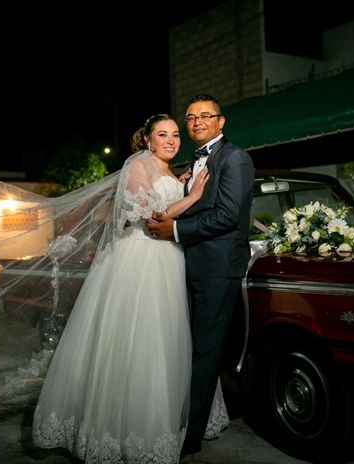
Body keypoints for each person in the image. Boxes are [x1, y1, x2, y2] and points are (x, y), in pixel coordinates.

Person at [31, 114, 211, 463]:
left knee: (165, 335)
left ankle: (163, 418)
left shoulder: (167, 170)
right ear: (147, 139)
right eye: (163, 134)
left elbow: (164, 200)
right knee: (138, 336)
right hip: (141, 260)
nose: (172, 140)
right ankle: (121, 428)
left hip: (169, 259)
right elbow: (153, 217)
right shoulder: (137, 165)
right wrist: (194, 196)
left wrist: (181, 183)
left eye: (175, 135)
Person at [146, 94, 255, 456]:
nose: (196, 122)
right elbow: (197, 203)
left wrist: (174, 231)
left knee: (205, 353)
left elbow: (227, 215)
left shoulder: (235, 157)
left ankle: (188, 438)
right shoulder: (193, 162)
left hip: (217, 269)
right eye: (191, 118)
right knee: (186, 350)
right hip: (187, 266)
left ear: (221, 122)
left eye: (205, 116)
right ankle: (176, 421)